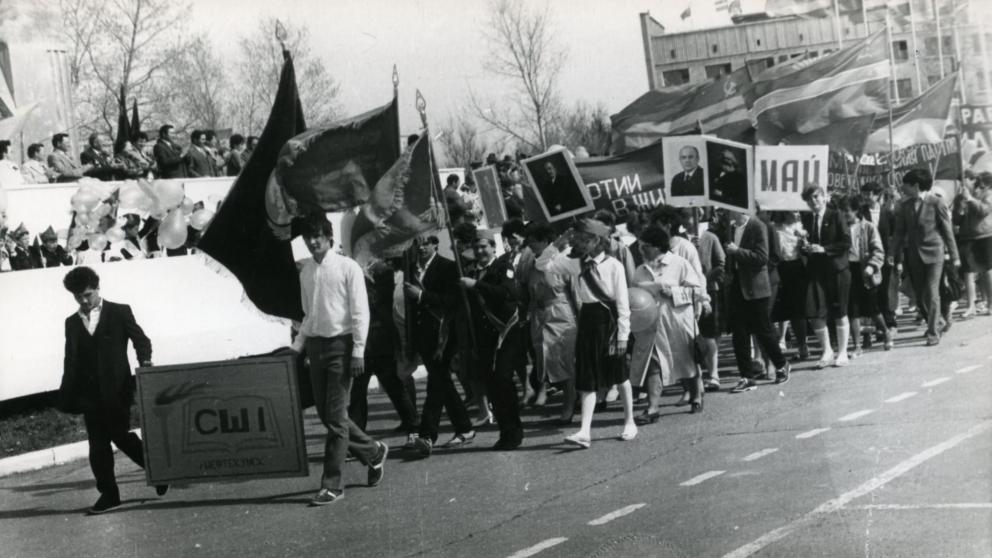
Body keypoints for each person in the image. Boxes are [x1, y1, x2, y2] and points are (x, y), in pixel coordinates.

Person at [289, 213, 388, 506]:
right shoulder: (306, 272)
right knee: (327, 415)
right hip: (316, 348)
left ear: (329, 237)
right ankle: (372, 451)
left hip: (342, 347)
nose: (313, 241)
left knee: (334, 420)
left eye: (318, 235)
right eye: (308, 237)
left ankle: (332, 484)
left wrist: (358, 350)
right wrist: (297, 347)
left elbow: (360, 313)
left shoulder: (348, 268)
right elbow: (309, 316)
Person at [57, 266, 167, 514]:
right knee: (97, 445)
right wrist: (67, 392)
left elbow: (141, 339)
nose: (84, 301)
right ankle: (109, 494)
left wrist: (145, 361)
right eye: (78, 297)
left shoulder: (119, 311)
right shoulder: (72, 323)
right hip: (88, 394)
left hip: (117, 390)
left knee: (120, 436)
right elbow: (70, 359)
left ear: (97, 288)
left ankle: (159, 471)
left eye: (87, 294)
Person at [536, 218, 636, 449]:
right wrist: (557, 244)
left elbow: (622, 305)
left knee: (619, 374)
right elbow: (542, 265)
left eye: (582, 240)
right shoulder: (576, 264)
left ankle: (629, 421)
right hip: (588, 322)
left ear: (596, 241)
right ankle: (584, 431)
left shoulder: (614, 266)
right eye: (577, 239)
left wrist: (622, 336)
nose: (577, 243)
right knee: (587, 377)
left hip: (609, 323)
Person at [404, 235, 476, 457]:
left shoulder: (448, 267)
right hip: (424, 336)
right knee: (442, 381)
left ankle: (427, 434)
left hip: (445, 335)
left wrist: (422, 296)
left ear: (435, 244)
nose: (422, 247)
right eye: (418, 243)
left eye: (427, 242)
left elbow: (451, 301)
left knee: (437, 381)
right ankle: (465, 427)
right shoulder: (411, 269)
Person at [631, 226, 708, 423]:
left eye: (645, 247)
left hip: (678, 321)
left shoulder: (679, 264)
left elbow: (697, 292)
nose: (641, 251)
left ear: (657, 247)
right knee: (654, 365)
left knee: (686, 360)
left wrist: (672, 292)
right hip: (652, 326)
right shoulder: (640, 270)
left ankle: (696, 396)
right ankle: (653, 408)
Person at [460, 229, 525, 450]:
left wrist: (476, 285)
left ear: (492, 247)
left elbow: (507, 294)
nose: (480, 251)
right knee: (492, 385)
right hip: (483, 337)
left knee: (503, 380)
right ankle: (505, 432)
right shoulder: (470, 271)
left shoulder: (502, 267)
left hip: (505, 332)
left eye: (484, 246)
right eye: (476, 247)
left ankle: (514, 432)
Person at [349, 260, 420, 436]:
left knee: (394, 388)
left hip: (380, 342)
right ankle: (357, 437)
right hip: (363, 345)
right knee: (358, 393)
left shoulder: (381, 274)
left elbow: (375, 300)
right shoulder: (359, 273)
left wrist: (364, 276)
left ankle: (413, 427)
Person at [889, 169, 959, 346]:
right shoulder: (904, 206)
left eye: (905, 184)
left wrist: (955, 255)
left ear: (916, 185)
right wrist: (892, 253)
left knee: (932, 291)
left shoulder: (937, 203)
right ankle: (938, 322)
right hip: (913, 255)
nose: (902, 187)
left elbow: (947, 231)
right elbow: (899, 233)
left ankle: (933, 332)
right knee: (919, 296)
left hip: (935, 253)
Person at [725, 207, 791, 393]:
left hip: (756, 286)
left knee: (763, 329)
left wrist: (737, 251)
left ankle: (781, 364)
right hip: (738, 286)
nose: (724, 212)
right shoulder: (731, 228)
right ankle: (746, 376)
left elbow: (762, 257)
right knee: (739, 333)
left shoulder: (757, 226)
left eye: (727, 209)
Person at [522, 221, 578, 425]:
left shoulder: (563, 261)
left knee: (565, 361)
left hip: (561, 315)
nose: (532, 245)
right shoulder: (531, 265)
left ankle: (569, 404)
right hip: (539, 317)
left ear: (547, 242)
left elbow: (575, 294)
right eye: (529, 241)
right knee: (548, 363)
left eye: (535, 241)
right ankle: (570, 398)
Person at [842, 194, 893, 354]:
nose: (845, 215)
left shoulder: (868, 227)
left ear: (856, 211)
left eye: (847, 211)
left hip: (865, 270)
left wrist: (872, 266)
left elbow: (878, 250)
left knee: (872, 307)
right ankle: (857, 346)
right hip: (848, 270)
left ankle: (886, 333)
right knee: (853, 308)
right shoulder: (841, 228)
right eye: (842, 211)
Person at [693, 211, 726, 391]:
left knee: (710, 334)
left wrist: (705, 278)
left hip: (710, 291)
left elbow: (721, 263)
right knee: (698, 337)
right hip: (690, 293)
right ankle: (706, 370)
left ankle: (714, 374)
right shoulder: (681, 241)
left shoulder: (710, 237)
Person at [770, 211, 810, 360]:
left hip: (796, 268)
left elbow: (805, 250)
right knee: (780, 310)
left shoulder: (799, 228)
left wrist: (803, 242)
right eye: (792, 212)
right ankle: (779, 344)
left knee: (798, 310)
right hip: (780, 267)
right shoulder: (775, 228)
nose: (795, 214)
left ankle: (803, 345)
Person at [955, 172, 992, 317]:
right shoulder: (960, 197)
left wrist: (970, 199)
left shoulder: (987, 194)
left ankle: (990, 303)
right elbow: (956, 220)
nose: (963, 184)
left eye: (966, 181)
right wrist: (960, 208)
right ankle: (971, 306)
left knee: (987, 270)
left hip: (984, 235)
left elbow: (984, 210)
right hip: (967, 236)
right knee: (968, 271)